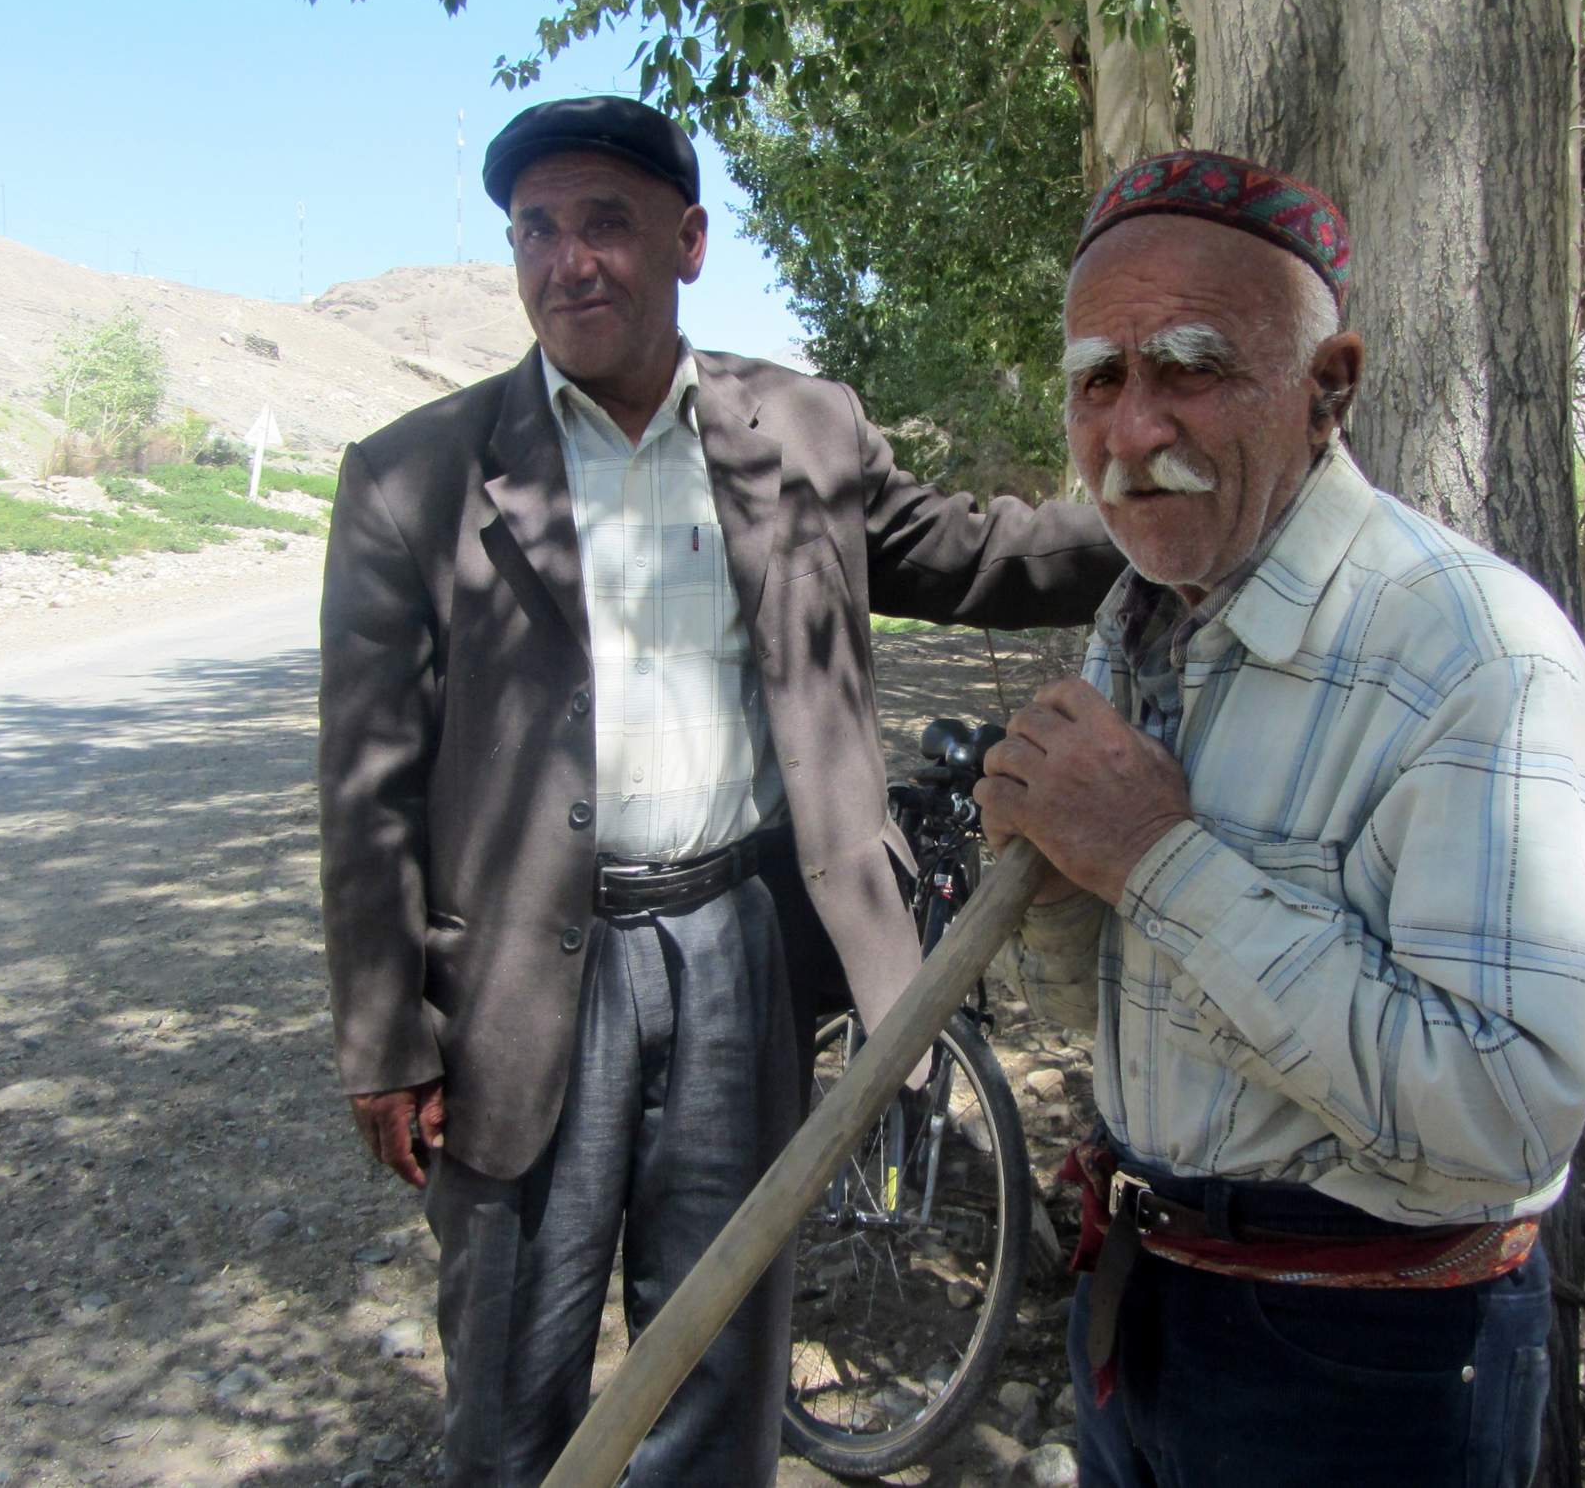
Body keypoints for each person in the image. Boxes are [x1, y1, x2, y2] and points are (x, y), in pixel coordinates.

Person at [317, 95, 1122, 1488]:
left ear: (688, 242)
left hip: (738, 950)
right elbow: (367, 785)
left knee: (720, 1349)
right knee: (516, 1375)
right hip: (526, 979)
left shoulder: (800, 429)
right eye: (537, 230)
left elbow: (970, 553)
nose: (569, 260)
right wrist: (386, 1035)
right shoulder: (415, 477)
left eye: (606, 225)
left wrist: (1156, 532)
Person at [974, 151, 1585, 1487]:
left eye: (1190, 368)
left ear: (1329, 389)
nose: (1131, 429)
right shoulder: (1140, 624)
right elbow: (1120, 997)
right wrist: (1054, 893)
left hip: (1366, 1358)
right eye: (1098, 378)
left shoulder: (1476, 658)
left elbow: (1505, 1116)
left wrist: (1158, 858)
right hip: (1146, 1300)